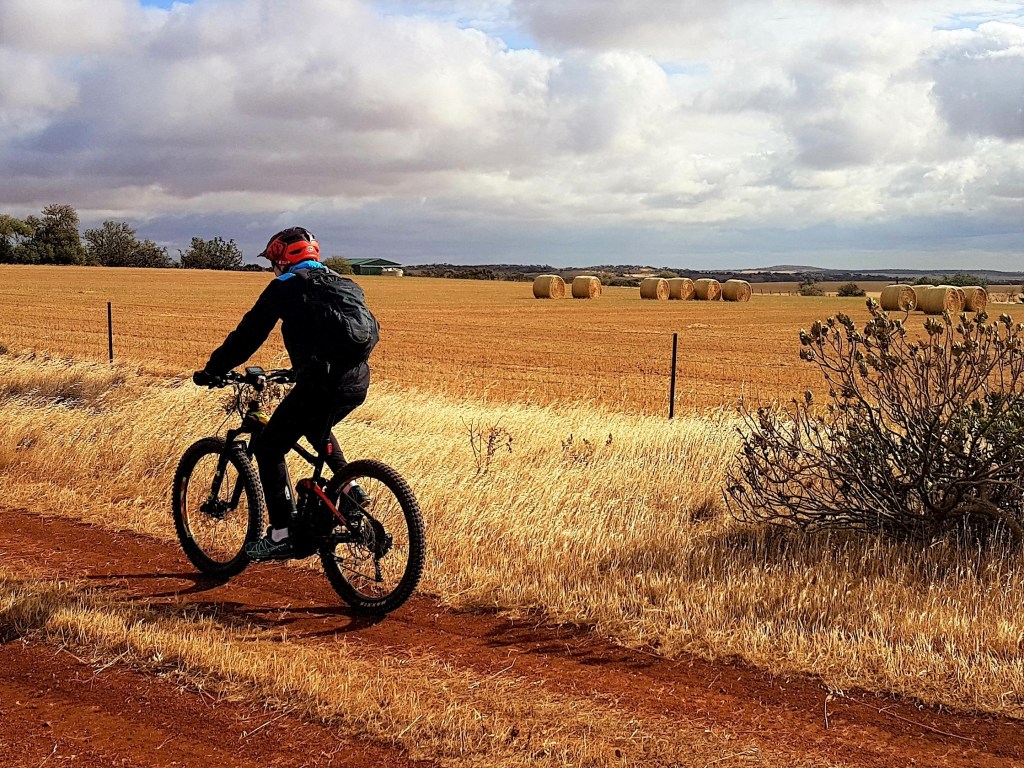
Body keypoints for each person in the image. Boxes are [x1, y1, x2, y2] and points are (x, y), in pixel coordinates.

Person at [193, 227, 371, 561]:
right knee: (316, 426)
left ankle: (281, 534)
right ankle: (349, 487)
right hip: (356, 381)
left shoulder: (285, 286)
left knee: (268, 446)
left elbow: (248, 334)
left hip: (320, 381)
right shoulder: (345, 282)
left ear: (281, 257)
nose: (272, 266)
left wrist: (214, 368)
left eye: (272, 260)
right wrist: (299, 371)